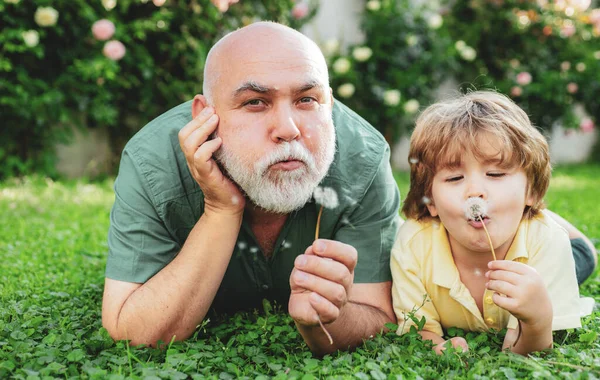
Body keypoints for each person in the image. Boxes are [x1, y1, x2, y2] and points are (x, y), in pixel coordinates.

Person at [101, 21, 401, 356]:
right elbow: (133, 334)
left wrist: (329, 319)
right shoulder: (152, 161)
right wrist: (221, 209)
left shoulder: (364, 158)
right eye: (256, 102)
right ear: (206, 115)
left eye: (306, 99)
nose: (288, 129)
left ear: (329, 105)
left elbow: (378, 316)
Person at [391, 91, 596, 356]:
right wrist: (438, 346)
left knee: (581, 257)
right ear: (430, 200)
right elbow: (418, 329)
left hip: (557, 248)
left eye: (495, 174)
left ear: (531, 191)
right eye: (454, 178)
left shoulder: (549, 243)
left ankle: (552, 223)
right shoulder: (412, 245)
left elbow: (523, 354)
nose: (474, 190)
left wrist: (538, 320)